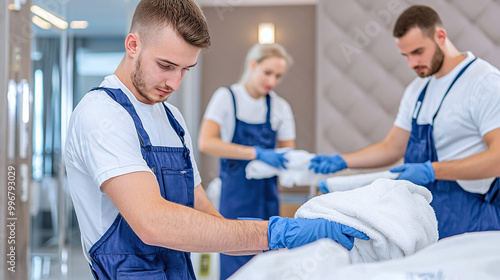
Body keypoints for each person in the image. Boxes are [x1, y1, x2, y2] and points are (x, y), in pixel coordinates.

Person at [64, 1, 369, 279]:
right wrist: (276, 232)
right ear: (133, 44)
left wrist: (289, 243)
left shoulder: (171, 118)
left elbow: (207, 218)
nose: (174, 83)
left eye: (186, 69)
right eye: (166, 66)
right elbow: (152, 223)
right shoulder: (102, 115)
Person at [310, 5, 500, 239]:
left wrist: (433, 171)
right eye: (406, 55)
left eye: (418, 52)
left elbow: (498, 158)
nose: (412, 63)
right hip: (425, 216)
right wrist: (342, 161)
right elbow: (392, 147)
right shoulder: (418, 89)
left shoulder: (485, 83)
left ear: (441, 36)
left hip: (474, 218)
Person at [198, 43, 296, 279]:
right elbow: (206, 142)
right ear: (253, 65)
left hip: (268, 198)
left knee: (267, 259)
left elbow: (288, 155)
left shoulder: (280, 108)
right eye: (267, 73)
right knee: (234, 258)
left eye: (278, 76)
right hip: (235, 198)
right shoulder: (227, 98)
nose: (272, 81)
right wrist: (256, 153)